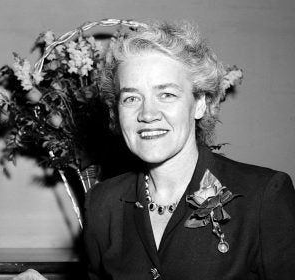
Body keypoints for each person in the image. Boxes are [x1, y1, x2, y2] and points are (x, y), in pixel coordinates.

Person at [83, 21, 295, 280]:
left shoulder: (263, 197)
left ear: (200, 105)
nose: (148, 114)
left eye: (167, 95)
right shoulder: (102, 204)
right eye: (131, 98)